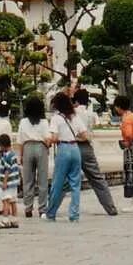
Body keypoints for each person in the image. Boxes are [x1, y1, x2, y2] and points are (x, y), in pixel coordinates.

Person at [72, 88, 117, 216]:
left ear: (75, 100)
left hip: (72, 146)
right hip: (87, 148)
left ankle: (51, 208)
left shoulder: (71, 113)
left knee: (64, 178)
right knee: (97, 178)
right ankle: (110, 207)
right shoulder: (91, 114)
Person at [45, 92, 85, 223]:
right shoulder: (75, 117)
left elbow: (55, 137)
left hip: (63, 149)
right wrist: (73, 138)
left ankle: (51, 213)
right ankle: (74, 215)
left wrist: (48, 141)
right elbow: (85, 135)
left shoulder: (56, 118)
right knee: (75, 184)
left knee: (57, 183)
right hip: (75, 149)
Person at [16, 95, 50, 219]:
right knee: (42, 180)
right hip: (41, 147)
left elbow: (19, 140)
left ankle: (28, 208)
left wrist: (20, 155)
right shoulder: (44, 122)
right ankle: (42, 209)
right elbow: (47, 138)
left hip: (27, 147)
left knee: (28, 180)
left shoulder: (23, 122)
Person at [0, 132, 20, 228]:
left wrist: (4, 182)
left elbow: (7, 170)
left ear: (2, 145)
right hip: (14, 182)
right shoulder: (13, 154)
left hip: (8, 182)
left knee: (5, 201)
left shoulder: (6, 156)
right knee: (13, 201)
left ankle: (5, 220)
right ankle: (15, 220)